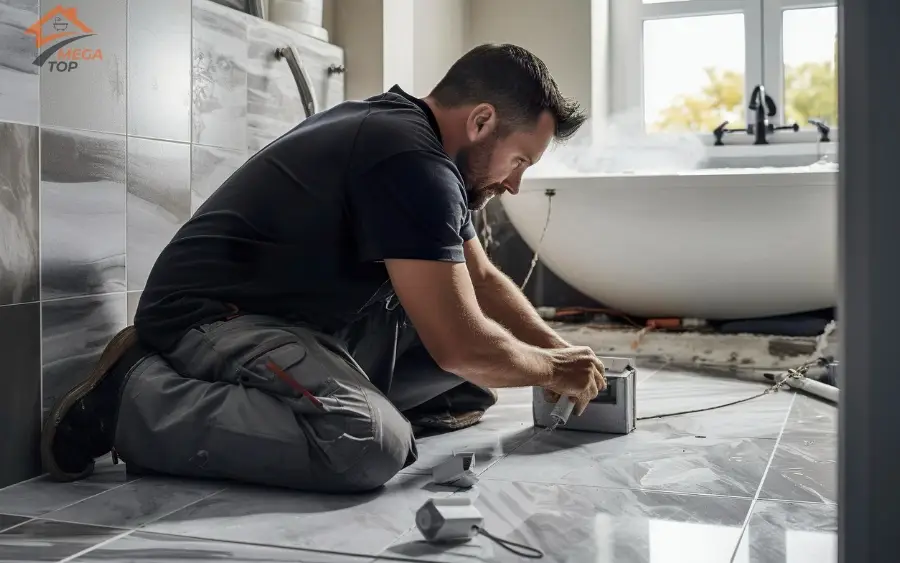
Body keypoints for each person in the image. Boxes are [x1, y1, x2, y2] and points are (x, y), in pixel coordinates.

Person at [41, 43, 607, 494]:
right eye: (519, 162)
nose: (515, 183)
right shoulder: (412, 162)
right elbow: (460, 343)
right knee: (367, 443)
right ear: (482, 121)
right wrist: (551, 372)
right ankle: (130, 398)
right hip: (213, 317)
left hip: (297, 317)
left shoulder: (418, 146)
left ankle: (319, 392)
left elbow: (480, 283)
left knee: (468, 383)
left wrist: (565, 355)